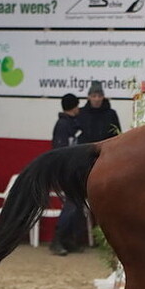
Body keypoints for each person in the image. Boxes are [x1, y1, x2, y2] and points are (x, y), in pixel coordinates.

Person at [50, 93, 84, 256]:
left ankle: (69, 239)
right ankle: (57, 239)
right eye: (77, 105)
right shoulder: (63, 125)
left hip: (73, 168)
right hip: (66, 170)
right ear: (73, 107)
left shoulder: (72, 123)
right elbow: (60, 150)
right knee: (71, 204)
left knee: (77, 204)